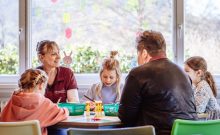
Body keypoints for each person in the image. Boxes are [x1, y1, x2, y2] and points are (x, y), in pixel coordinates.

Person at [118, 30, 198, 135]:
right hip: (191, 132)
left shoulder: (138, 74)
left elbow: (126, 117)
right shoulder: (184, 74)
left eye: (137, 54)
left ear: (144, 53)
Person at [0, 69, 69, 135]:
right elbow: (63, 113)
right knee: (59, 130)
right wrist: (65, 109)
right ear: (41, 85)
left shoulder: (12, 100)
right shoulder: (44, 102)